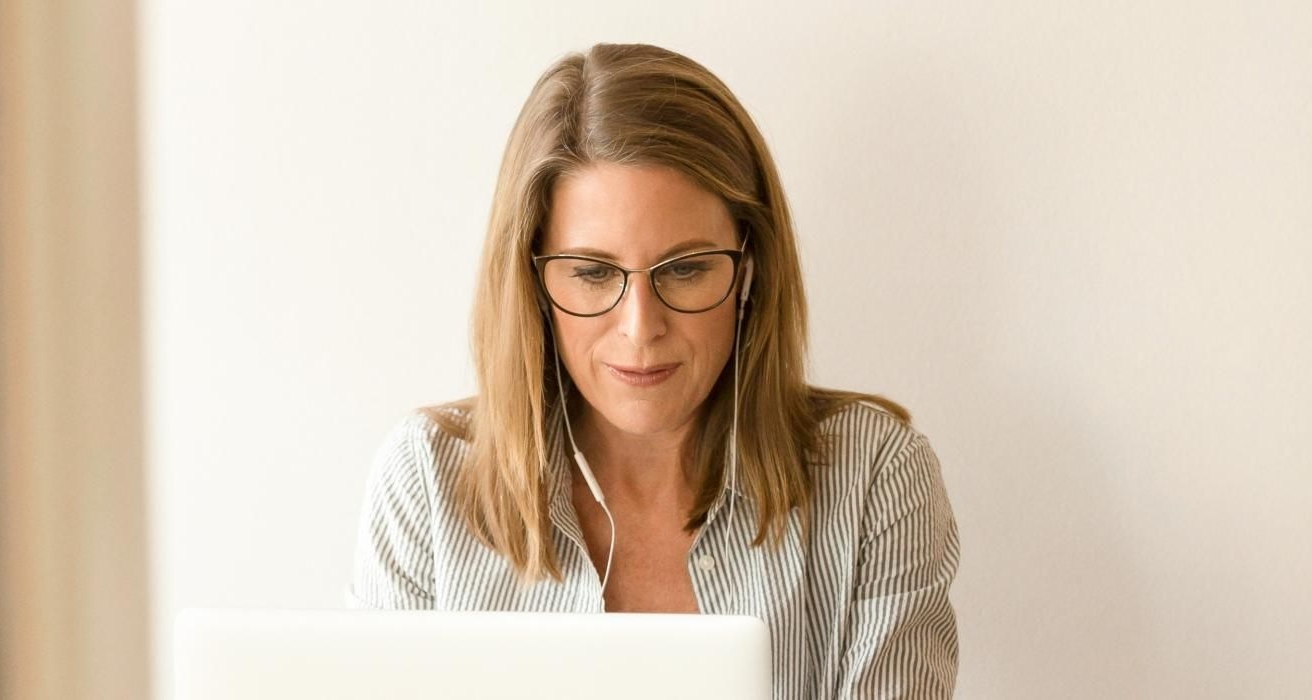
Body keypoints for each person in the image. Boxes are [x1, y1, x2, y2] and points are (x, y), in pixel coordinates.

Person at [347, 42, 961, 699]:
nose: (641, 328)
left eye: (686, 268)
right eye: (591, 272)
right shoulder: (427, 482)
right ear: (531, 279)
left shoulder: (874, 479)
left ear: (749, 266)